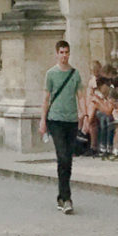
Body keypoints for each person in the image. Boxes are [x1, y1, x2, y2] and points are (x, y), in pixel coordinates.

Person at [40, 41, 83, 214]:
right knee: (62, 156)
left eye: (67, 52)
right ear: (56, 54)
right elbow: (46, 98)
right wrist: (43, 121)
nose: (64, 55)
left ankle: (61, 196)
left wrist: (84, 115)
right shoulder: (50, 74)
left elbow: (80, 96)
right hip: (55, 120)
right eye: (62, 52)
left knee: (68, 160)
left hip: (71, 120)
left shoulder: (75, 74)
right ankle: (67, 198)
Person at [90, 74, 118, 159]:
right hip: (111, 114)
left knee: (106, 119)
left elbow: (108, 111)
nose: (100, 91)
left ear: (104, 85)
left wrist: (98, 104)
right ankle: (103, 147)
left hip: (116, 114)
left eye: (100, 88)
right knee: (102, 118)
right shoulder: (105, 94)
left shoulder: (111, 92)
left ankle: (108, 147)